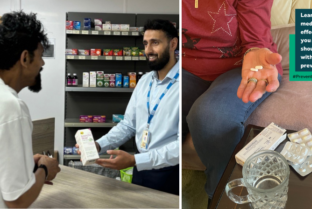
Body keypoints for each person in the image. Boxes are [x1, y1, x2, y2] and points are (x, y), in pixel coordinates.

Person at [182, 0, 283, 203]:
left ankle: (221, 197)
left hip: (242, 67)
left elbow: (256, 36)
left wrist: (256, 50)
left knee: (211, 119)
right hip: (185, 67)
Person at [76, 19, 179, 195]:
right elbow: (128, 125)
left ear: (173, 44)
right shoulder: (145, 81)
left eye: (155, 43)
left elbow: (179, 146)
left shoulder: (183, 85)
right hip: (139, 169)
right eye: (146, 44)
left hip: (169, 172)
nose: (148, 51)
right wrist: (98, 145)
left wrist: (135, 160)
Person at [0, 11, 61, 208]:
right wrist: (44, 168)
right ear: (25, 58)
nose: (42, 63)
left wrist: (26, 162)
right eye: (41, 56)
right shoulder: (11, 107)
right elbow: (17, 201)